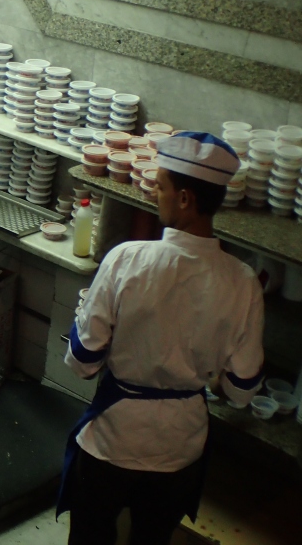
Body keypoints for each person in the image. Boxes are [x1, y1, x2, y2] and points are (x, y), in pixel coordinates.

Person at [59, 132, 265, 545]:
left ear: (185, 199)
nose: (156, 195)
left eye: (161, 187)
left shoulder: (127, 260)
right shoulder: (243, 282)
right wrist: (206, 377)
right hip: (181, 450)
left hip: (114, 440)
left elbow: (82, 362)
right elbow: (242, 391)